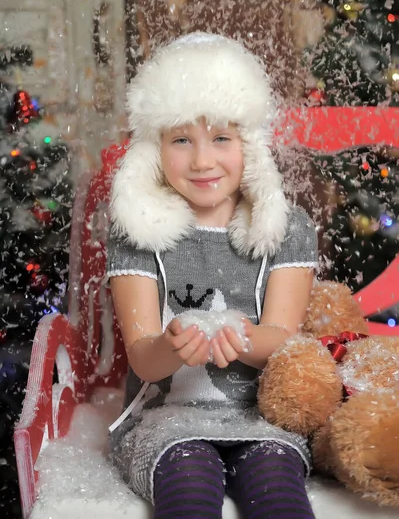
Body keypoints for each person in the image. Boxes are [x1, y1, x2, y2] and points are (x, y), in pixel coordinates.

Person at [107, 32, 318, 519]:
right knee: (188, 480)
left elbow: (284, 339)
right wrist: (170, 345)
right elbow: (143, 359)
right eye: (181, 140)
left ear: (251, 145)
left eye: (221, 138)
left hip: (260, 416)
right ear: (154, 147)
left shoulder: (286, 230)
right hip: (166, 418)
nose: (202, 161)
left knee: (276, 484)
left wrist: (243, 337)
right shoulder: (138, 233)